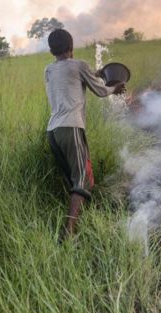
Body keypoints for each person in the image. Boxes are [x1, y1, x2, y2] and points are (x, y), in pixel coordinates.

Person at [44, 29, 125, 242]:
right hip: (71, 128)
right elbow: (101, 91)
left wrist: (94, 73)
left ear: (51, 50)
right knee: (82, 179)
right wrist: (115, 87)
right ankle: (69, 231)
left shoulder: (49, 69)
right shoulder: (79, 65)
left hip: (53, 130)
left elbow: (69, 80)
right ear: (72, 47)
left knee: (72, 177)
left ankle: (80, 215)